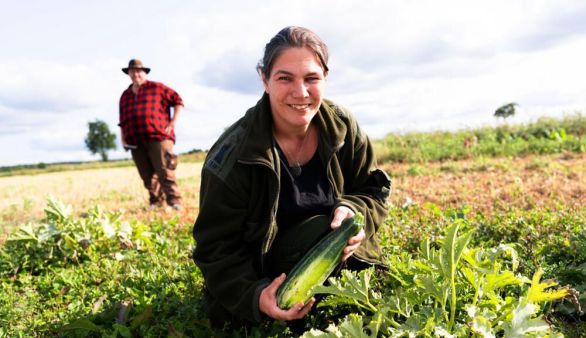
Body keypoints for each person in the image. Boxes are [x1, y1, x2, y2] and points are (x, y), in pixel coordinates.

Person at [192, 26, 390, 328]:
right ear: (264, 79)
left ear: (325, 77)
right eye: (285, 78)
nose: (301, 93)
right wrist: (257, 296)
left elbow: (373, 189)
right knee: (321, 228)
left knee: (328, 228)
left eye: (312, 78)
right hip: (269, 279)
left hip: (335, 265)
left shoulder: (342, 126)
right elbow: (215, 249)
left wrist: (355, 210)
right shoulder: (233, 157)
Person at [119, 59, 184, 211]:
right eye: (132, 71)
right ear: (128, 73)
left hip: (159, 137)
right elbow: (122, 120)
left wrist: (173, 121)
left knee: (165, 171)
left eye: (138, 71)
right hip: (135, 140)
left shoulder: (157, 88)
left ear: (144, 72)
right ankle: (156, 202)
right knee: (147, 175)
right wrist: (123, 138)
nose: (135, 74)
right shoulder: (125, 95)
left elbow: (178, 101)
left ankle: (175, 202)